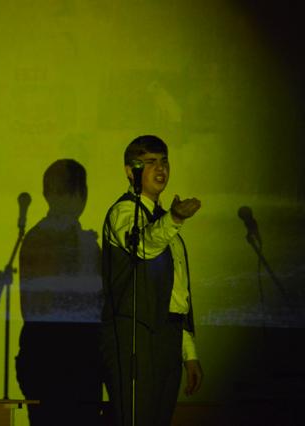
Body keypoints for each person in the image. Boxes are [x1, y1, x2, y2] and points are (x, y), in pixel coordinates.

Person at [100, 135, 203, 426]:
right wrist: (175, 218)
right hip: (135, 334)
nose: (161, 168)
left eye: (164, 161)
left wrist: (189, 354)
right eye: (150, 162)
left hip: (168, 336)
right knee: (135, 418)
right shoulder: (123, 211)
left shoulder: (166, 222)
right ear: (130, 171)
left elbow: (177, 296)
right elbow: (143, 245)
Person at [15, 159, 104, 425]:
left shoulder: (83, 242)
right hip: (57, 355)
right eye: (70, 191)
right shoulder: (42, 239)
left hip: (74, 354)